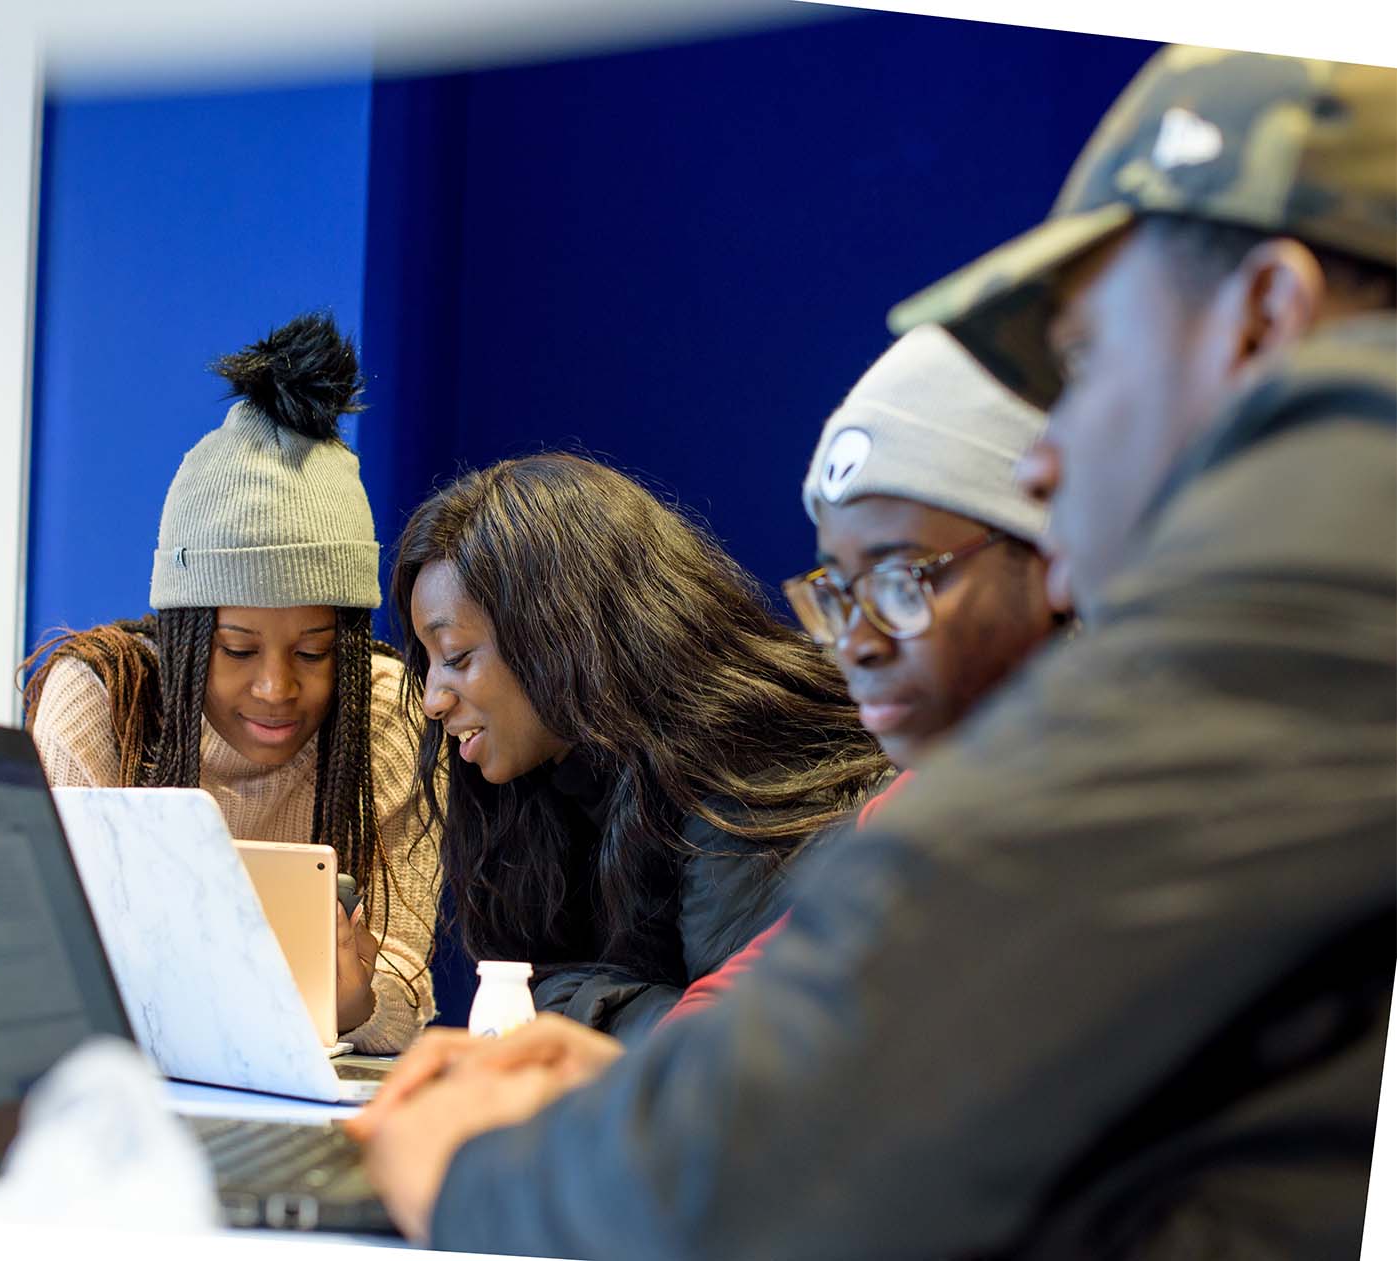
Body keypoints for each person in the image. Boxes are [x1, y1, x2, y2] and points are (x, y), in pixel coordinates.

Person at [347, 47, 1396, 1257]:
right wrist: (659, 1084)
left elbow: (770, 1159)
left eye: (1090, 365)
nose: (1043, 465)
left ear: (1269, 317)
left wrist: (476, 1170)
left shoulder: (1294, 617)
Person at [20, 312, 439, 1054]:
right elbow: (42, 954)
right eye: (237, 649)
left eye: (313, 653)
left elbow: (405, 982)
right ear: (181, 639)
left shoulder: (384, 713)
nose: (277, 687)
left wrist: (355, 1002)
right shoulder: (102, 704)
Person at [391, 453, 889, 1040]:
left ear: (561, 634)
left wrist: (568, 1005)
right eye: (427, 664)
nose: (431, 700)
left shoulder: (740, 772)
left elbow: (725, 1056)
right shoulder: (551, 784)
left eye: (456, 658)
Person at [668, 321, 1064, 1023]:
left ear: (1053, 559)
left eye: (901, 581)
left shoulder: (1101, 798)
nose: (858, 640)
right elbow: (771, 985)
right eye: (838, 593)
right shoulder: (920, 797)